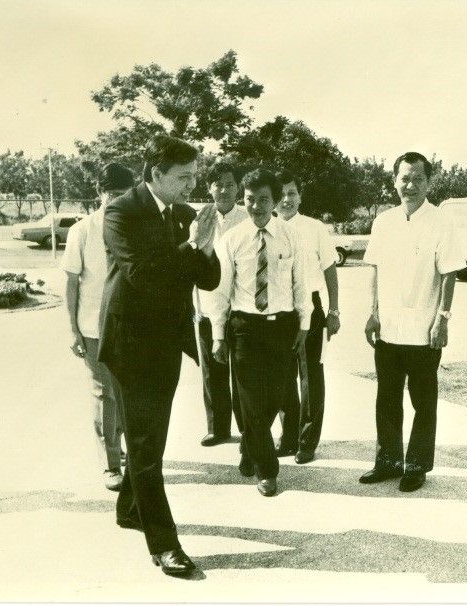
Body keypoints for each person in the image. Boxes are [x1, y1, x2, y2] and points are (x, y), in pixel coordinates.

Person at [98, 134, 221, 578]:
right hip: (129, 344)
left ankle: (130, 509)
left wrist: (205, 246)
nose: (192, 185)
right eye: (184, 177)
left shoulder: (185, 215)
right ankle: (165, 544)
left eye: (194, 176)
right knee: (146, 445)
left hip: (166, 341)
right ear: (156, 174)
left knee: (151, 437)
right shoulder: (121, 212)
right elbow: (143, 275)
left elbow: (208, 280)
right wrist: (191, 245)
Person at [360, 151, 462, 493]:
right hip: (388, 329)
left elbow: (449, 274)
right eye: (404, 178)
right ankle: (387, 462)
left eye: (418, 179)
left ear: (429, 183)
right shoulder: (383, 222)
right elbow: (375, 268)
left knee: (423, 402)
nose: (411, 185)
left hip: (424, 330)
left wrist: (442, 320)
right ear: (394, 182)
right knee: (386, 399)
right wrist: (373, 313)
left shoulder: (442, 222)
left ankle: (416, 466)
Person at [209, 168, 311, 497]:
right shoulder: (232, 239)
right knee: (251, 401)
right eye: (250, 199)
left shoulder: (291, 236)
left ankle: (249, 447)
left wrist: (304, 324)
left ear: (275, 200)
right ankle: (267, 470)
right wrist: (218, 335)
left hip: (282, 327)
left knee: (275, 397)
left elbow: (301, 283)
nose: (256, 207)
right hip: (245, 328)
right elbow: (220, 291)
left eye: (263, 200)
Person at [62, 162, 134, 492]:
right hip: (94, 328)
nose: (117, 201)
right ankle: (111, 464)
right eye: (112, 194)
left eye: (124, 194)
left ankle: (128, 451)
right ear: (99, 192)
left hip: (131, 326)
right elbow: (71, 283)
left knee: (129, 393)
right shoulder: (82, 230)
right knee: (105, 394)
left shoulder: (137, 226)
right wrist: (73, 330)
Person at [274, 170, 341, 464]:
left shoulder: (315, 228)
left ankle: (307, 441)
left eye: (292, 193)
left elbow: (330, 270)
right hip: (278, 309)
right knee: (282, 377)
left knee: (310, 376)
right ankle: (288, 437)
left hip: (310, 308)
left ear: (300, 196)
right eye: (281, 194)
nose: (286, 199)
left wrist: (334, 310)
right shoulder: (268, 227)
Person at [193, 161, 248, 447]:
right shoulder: (200, 219)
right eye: (218, 185)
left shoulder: (248, 218)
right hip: (207, 305)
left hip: (240, 307)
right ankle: (218, 428)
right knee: (212, 370)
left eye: (230, 184)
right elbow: (193, 262)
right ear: (209, 188)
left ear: (238, 187)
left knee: (241, 370)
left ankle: (247, 428)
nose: (224, 190)